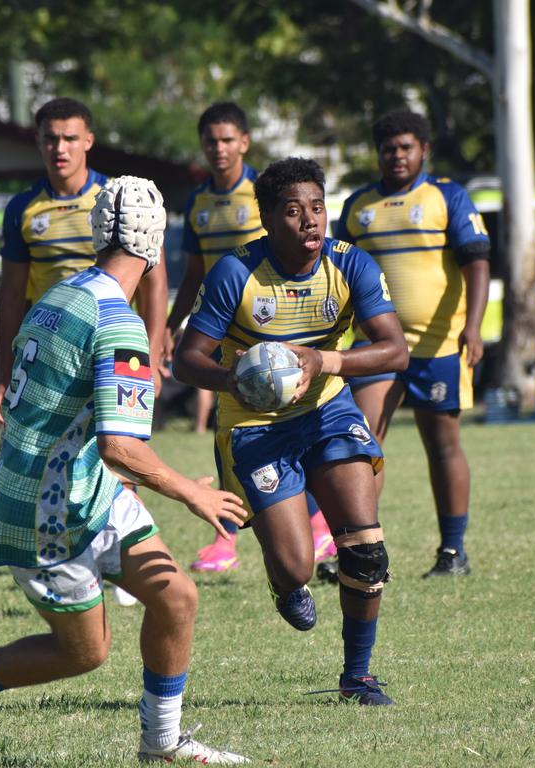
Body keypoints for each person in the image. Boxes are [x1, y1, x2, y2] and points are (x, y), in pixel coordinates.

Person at [0, 176, 250, 765]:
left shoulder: (61, 294)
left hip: (84, 489)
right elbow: (120, 448)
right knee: (83, 653)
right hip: (44, 509)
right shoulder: (120, 322)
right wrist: (194, 494)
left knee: (177, 598)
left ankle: (162, 742)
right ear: (156, 246)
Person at [173, 158, 408, 705]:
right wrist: (236, 377)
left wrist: (322, 361)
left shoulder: (350, 265)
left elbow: (394, 349)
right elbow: (187, 361)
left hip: (329, 411)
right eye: (294, 211)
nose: (310, 221)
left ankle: (358, 675)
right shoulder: (236, 273)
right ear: (268, 219)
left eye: (318, 208)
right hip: (255, 426)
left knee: (365, 545)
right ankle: (284, 580)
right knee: (298, 565)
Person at [164, 102, 335, 574]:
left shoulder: (273, 194)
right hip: (219, 325)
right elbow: (197, 273)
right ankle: (229, 536)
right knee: (230, 434)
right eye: (210, 141)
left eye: (227, 139)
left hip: (273, 325)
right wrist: (171, 326)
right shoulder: (199, 203)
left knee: (288, 430)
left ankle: (313, 524)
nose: (218, 149)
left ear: (245, 141)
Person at [336, 109, 491, 578]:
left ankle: (453, 551)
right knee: (361, 444)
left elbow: (477, 264)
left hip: (438, 345)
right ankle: (360, 550)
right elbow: (336, 274)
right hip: (377, 347)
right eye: (388, 149)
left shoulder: (448, 196)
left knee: (442, 446)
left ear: (423, 150)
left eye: (406, 147)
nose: (397, 156)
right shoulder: (359, 206)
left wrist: (475, 326)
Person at [0, 97, 168, 425]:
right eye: (51, 138)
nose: (60, 148)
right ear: (38, 141)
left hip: (114, 339)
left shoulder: (120, 198)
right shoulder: (22, 208)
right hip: (51, 346)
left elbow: (154, 284)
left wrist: (152, 357)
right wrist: (5, 371)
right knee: (48, 448)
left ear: (88, 141)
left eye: (70, 138)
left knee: (119, 447)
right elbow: (11, 294)